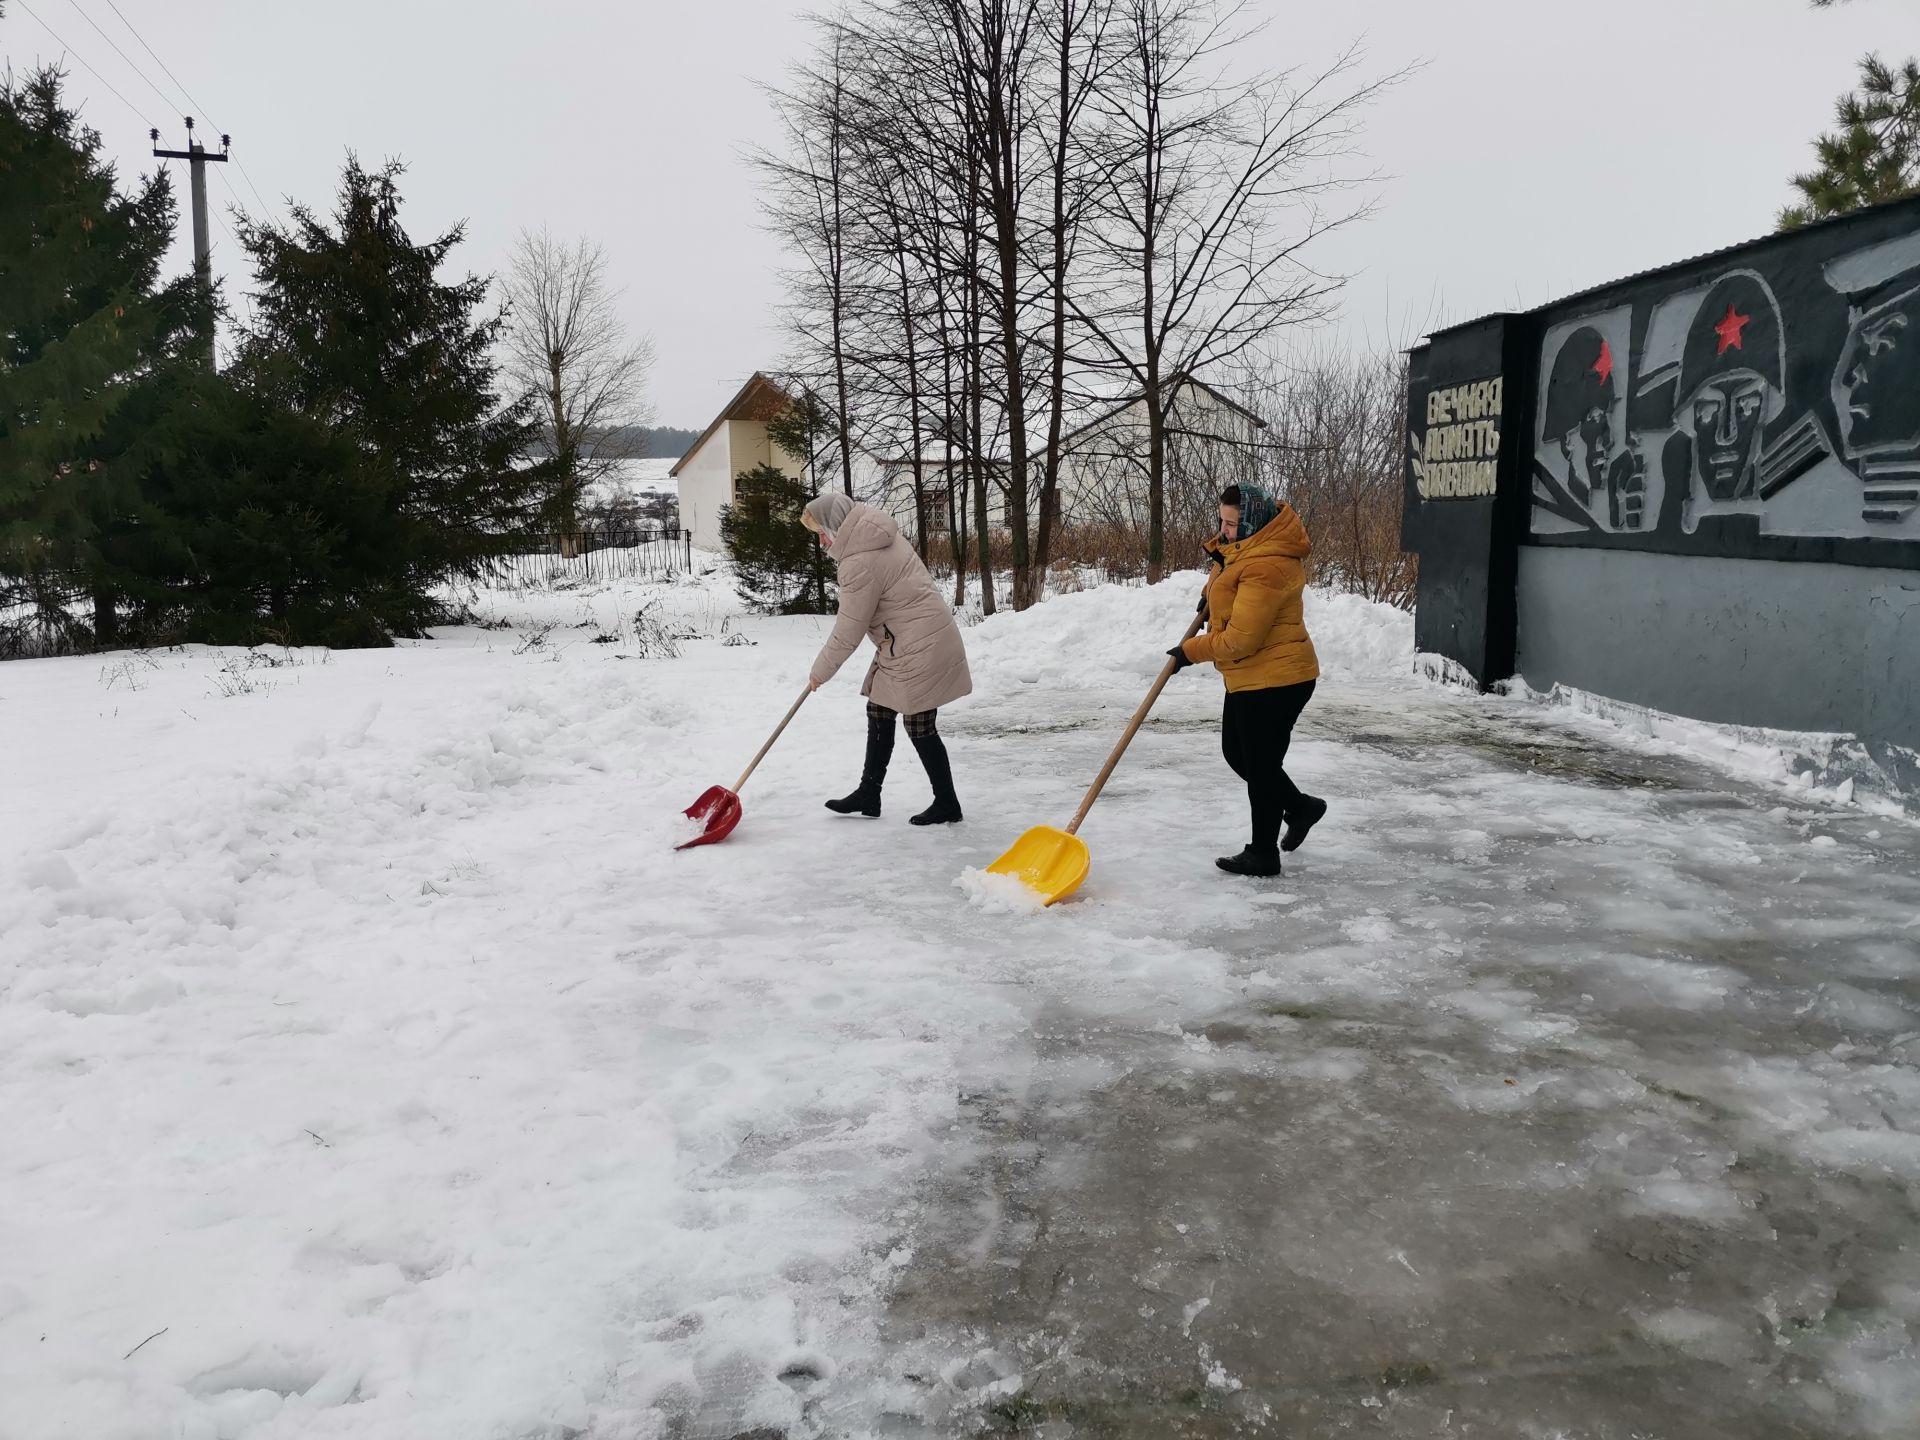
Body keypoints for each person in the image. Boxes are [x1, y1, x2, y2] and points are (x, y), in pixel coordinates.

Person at [1165, 484, 1325, 877]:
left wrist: (1190, 651)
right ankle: (1301, 807)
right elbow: (1228, 570)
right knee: (1240, 754)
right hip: (1251, 677)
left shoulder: (1269, 564)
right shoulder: (1246, 547)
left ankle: (1263, 853)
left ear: (1252, 522)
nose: (1224, 530)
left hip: (1277, 680)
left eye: (1232, 523)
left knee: (1261, 765)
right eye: (1221, 520)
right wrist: (1210, 596)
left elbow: (1241, 639)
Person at [801, 493, 972, 825]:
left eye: (821, 532)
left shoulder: (858, 562)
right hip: (914, 639)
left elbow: (848, 630)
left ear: (836, 527)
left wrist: (820, 672)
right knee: (879, 707)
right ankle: (869, 792)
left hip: (919, 646)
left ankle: (947, 802)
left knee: (919, 724)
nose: (821, 542)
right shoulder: (879, 536)